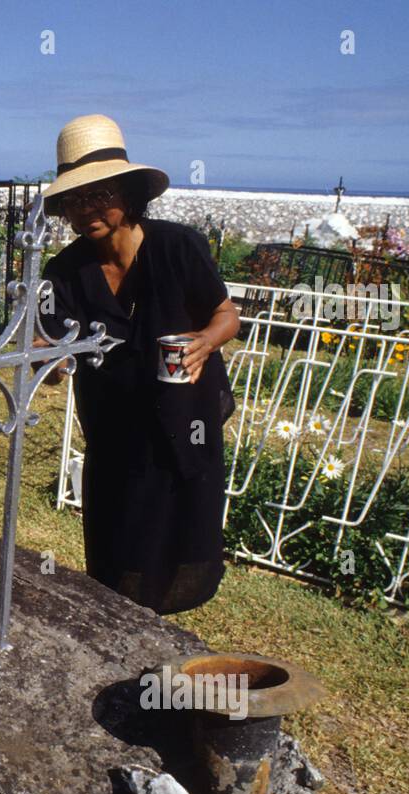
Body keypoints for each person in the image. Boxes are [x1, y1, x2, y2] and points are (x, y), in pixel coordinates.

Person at [37, 114, 240, 615]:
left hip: (185, 415)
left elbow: (225, 314)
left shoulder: (177, 247)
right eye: (74, 200)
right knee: (120, 536)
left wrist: (205, 343)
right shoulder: (64, 271)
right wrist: (53, 360)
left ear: (128, 193)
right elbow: (51, 339)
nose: (86, 211)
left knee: (179, 527)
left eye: (98, 195)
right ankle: (125, 627)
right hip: (115, 426)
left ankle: (167, 626)